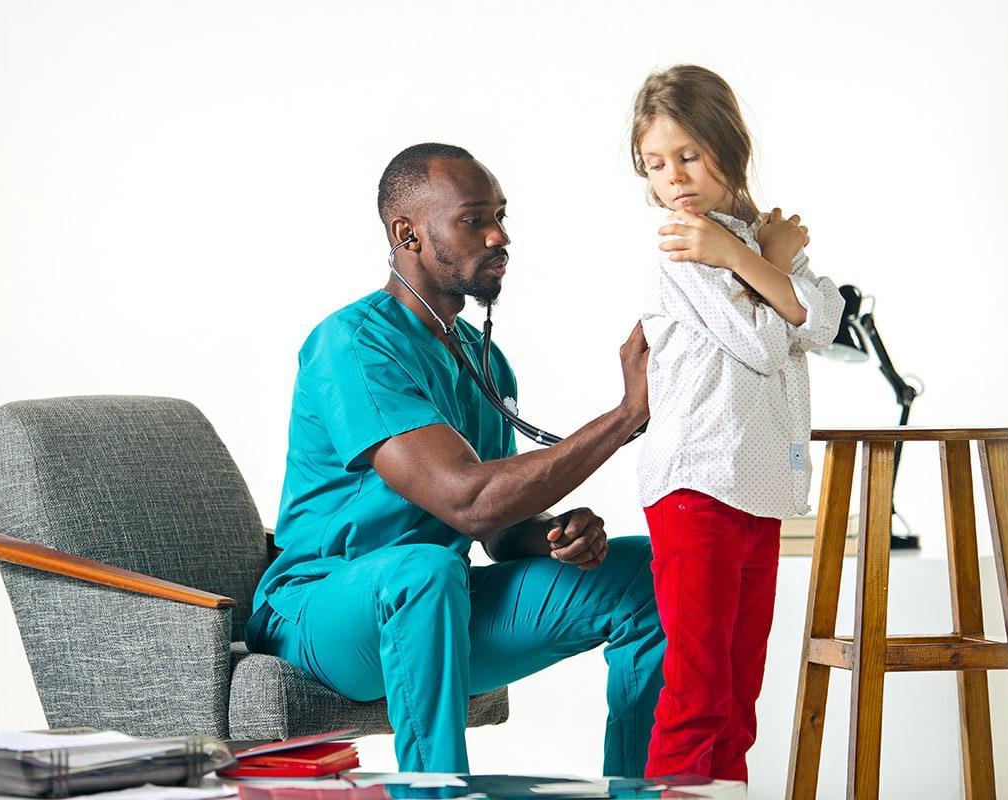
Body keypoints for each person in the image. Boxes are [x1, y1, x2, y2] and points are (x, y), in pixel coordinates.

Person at [246, 143, 667, 776]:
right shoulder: (352, 345)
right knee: (421, 571)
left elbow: (496, 529)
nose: (500, 236)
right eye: (474, 219)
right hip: (320, 613)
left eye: (501, 215)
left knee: (649, 572)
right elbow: (466, 501)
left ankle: (637, 790)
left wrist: (551, 533)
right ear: (407, 233)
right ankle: (436, 793)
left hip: (437, 599)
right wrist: (625, 416)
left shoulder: (484, 359)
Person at [629, 65, 845, 781]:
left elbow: (825, 320)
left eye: (689, 155)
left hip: (758, 491)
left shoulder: (758, 238)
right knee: (698, 696)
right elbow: (759, 345)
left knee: (738, 700)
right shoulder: (681, 248)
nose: (674, 179)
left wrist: (754, 256)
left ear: (728, 146)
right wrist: (753, 262)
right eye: (657, 164)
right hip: (698, 485)